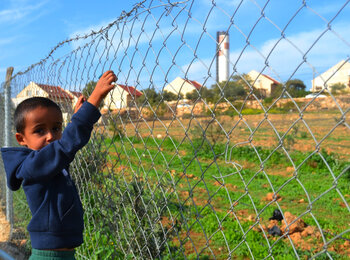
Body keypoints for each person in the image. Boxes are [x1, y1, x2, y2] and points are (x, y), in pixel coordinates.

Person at [1, 70, 117, 260]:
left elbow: (62, 151)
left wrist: (75, 120)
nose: (50, 136)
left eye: (56, 128)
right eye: (39, 130)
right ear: (21, 139)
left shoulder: (45, 161)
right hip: (48, 256)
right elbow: (63, 148)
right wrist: (94, 100)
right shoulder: (31, 166)